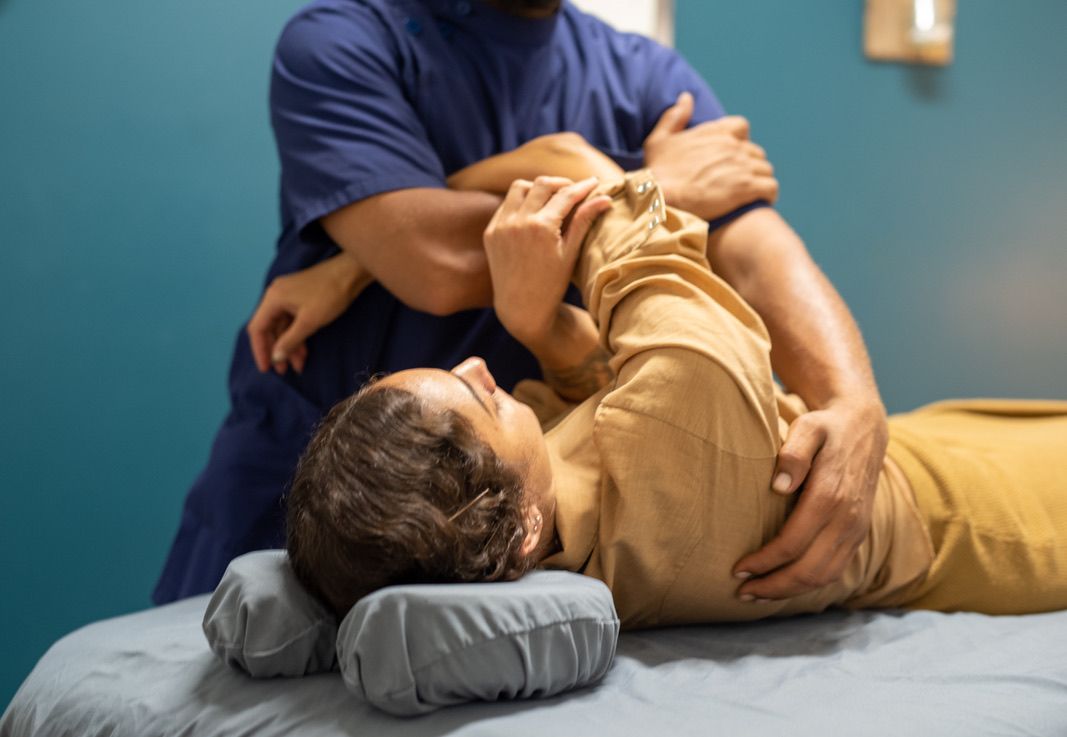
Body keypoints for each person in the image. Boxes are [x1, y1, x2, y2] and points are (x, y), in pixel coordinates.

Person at [154, 0, 888, 605]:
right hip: (313, 489)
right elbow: (432, 261)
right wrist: (652, 186)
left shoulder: (642, 75)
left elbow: (757, 252)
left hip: (507, 520)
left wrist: (853, 403)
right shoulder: (343, 40)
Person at [286, 141, 1067, 627]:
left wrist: (538, 325)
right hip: (993, 510)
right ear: (519, 525)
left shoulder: (559, 550)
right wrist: (358, 264)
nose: (477, 365)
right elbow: (571, 165)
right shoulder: (679, 402)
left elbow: (600, 400)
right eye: (480, 397)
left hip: (927, 451)